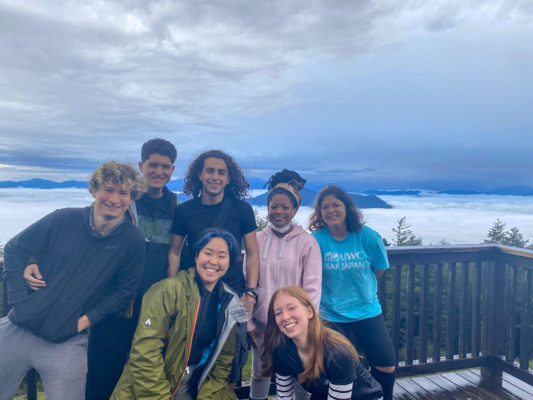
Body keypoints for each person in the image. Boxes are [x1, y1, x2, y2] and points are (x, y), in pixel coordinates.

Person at [0, 161, 146, 400]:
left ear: (132, 198)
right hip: (17, 327)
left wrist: (83, 322)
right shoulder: (64, 219)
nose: (114, 198)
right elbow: (16, 248)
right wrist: (19, 300)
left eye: (123, 193)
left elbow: (124, 291)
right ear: (94, 190)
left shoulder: (132, 241)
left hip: (67, 340)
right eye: (108, 189)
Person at [85, 138, 178, 399]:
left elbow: (178, 253)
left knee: (146, 377)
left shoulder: (174, 206)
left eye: (165, 166)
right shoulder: (123, 200)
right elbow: (85, 229)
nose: (159, 171)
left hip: (153, 308)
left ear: (172, 170)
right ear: (141, 165)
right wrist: (34, 258)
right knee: (103, 375)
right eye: (153, 165)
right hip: (113, 305)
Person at [110, 228, 248, 400]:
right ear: (197, 256)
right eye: (208, 253)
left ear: (228, 264)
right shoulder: (167, 291)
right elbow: (144, 355)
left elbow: (223, 363)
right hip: (150, 389)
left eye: (222, 256)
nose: (213, 261)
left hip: (195, 387)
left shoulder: (230, 303)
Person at [168, 149, 259, 387]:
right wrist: (171, 289)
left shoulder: (242, 210)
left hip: (234, 294)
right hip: (193, 294)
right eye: (210, 170)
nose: (215, 176)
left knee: (232, 357)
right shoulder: (184, 211)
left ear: (229, 178)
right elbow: (175, 252)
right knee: (191, 354)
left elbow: (253, 252)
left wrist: (251, 292)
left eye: (221, 172)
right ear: (199, 174)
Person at [308, 185, 396, 400]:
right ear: (319, 212)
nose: (330, 210)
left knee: (385, 364)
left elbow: (379, 269)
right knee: (324, 370)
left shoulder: (368, 237)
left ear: (347, 207)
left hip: (366, 311)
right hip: (330, 315)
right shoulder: (316, 240)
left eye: (335, 205)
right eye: (325, 207)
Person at [248, 169, 322, 400]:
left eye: (285, 207)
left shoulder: (307, 243)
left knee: (300, 374)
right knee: (260, 373)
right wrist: (249, 322)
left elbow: (312, 289)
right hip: (261, 324)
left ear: (295, 210)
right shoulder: (257, 241)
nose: (278, 212)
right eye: (273, 207)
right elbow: (247, 284)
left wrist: (305, 324)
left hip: (295, 325)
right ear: (267, 208)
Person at [263, 286, 383, 400]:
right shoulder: (281, 351)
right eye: (278, 313)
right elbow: (284, 396)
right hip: (323, 394)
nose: (285, 316)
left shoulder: (338, 353)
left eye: (291, 308)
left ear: (309, 312)